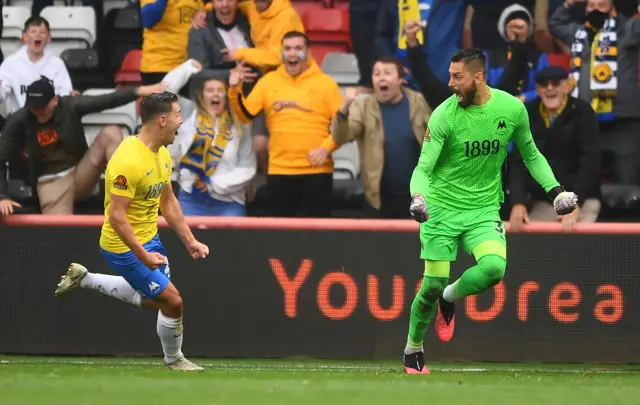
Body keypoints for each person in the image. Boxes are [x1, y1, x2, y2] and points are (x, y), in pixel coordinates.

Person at [403, 48, 578, 374]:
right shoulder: (444, 115)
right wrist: (418, 197)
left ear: (478, 77)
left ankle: (450, 297)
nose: (451, 83)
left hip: (483, 209)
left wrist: (556, 192)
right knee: (431, 284)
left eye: (458, 77)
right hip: (440, 208)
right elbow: (423, 167)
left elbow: (531, 155)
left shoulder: (511, 109)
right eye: (451, 76)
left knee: (494, 269)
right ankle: (413, 349)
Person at [54, 91, 209, 371]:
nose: (181, 120)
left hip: (149, 240)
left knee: (158, 300)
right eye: (177, 114)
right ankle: (174, 360)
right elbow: (116, 217)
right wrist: (143, 255)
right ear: (162, 121)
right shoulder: (128, 161)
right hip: (123, 247)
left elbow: (168, 200)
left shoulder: (161, 154)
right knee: (173, 302)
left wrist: (190, 240)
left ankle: (85, 279)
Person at [0, 79, 164, 215]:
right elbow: (1, 156)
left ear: (55, 100)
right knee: (59, 238)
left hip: (79, 171)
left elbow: (104, 101)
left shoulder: (69, 106)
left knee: (111, 132)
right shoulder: (19, 120)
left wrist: (138, 91)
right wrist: (2, 196)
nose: (37, 111)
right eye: (33, 107)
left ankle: (125, 194)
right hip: (50, 183)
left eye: (42, 106)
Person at [228, 31, 342, 218]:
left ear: (308, 52)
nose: (292, 53)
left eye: (298, 48)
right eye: (287, 49)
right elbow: (245, 116)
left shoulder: (326, 84)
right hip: (279, 171)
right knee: (279, 239)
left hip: (317, 173)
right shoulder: (268, 82)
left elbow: (345, 127)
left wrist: (325, 148)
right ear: (281, 53)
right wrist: (234, 91)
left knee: (318, 238)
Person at [333, 56, 432, 218]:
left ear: (401, 80)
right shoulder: (363, 106)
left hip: (417, 198)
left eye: (387, 73)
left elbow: (436, 139)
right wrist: (344, 108)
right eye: (377, 74)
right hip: (377, 200)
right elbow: (341, 137)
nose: (382, 78)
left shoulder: (418, 101)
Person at [509, 65, 602, 233]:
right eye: (544, 85)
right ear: (537, 89)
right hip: (544, 201)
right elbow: (518, 162)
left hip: (582, 200)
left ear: (567, 86)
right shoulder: (527, 113)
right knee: (537, 250)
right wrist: (518, 203)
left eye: (556, 83)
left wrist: (574, 204)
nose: (550, 88)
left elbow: (590, 163)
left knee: (578, 248)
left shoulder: (583, 113)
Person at [172, 75, 257, 216]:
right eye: (210, 90)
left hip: (229, 201)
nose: (216, 94)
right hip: (191, 199)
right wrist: (190, 67)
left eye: (220, 90)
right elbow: (165, 91)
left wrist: (213, 184)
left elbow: (247, 167)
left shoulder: (241, 125)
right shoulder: (188, 117)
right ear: (201, 96)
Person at [0, 16, 74, 114]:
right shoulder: (11, 63)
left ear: (48, 38)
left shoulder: (57, 64)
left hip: (50, 121)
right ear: (25, 37)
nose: (38, 35)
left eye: (42, 32)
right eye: (33, 31)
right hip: (21, 121)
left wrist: (70, 95)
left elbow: (64, 95)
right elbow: (2, 93)